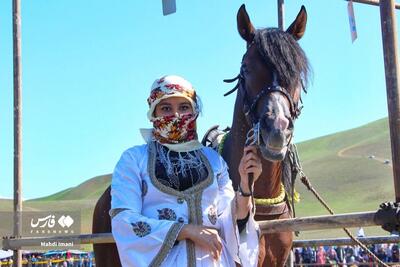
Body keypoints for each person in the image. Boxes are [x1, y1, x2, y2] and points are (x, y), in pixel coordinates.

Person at [110, 75, 261, 267]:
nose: (177, 115)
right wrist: (185, 230)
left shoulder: (214, 160)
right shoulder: (133, 160)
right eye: (166, 108)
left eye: (184, 107)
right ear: (153, 112)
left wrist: (246, 188)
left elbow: (229, 221)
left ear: (194, 110)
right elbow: (124, 220)